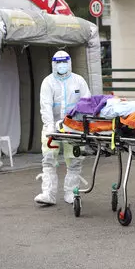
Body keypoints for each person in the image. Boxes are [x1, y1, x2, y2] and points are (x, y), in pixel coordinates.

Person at [35, 50, 91, 206]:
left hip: (74, 127)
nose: (61, 65)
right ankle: (48, 194)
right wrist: (50, 128)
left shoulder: (78, 81)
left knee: (74, 160)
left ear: (69, 63)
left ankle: (71, 193)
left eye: (64, 62)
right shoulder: (48, 82)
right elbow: (45, 106)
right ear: (53, 64)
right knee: (48, 159)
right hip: (52, 127)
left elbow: (86, 103)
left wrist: (81, 125)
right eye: (58, 62)